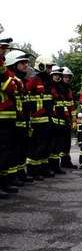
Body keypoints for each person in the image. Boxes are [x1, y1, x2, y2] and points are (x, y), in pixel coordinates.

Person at [5, 50, 34, 185]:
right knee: (13, 151)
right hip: (15, 122)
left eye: (26, 63)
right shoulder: (13, 81)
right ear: (13, 64)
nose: (25, 66)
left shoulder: (23, 81)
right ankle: (12, 177)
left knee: (23, 150)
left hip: (24, 122)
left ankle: (20, 173)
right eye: (22, 63)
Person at [26, 55, 55, 179]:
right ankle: (33, 171)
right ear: (41, 66)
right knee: (37, 146)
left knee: (47, 146)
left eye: (50, 67)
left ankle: (43, 169)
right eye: (48, 67)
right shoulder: (33, 79)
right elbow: (25, 98)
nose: (50, 70)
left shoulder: (47, 81)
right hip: (37, 120)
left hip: (47, 119)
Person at [0, 39, 20, 197]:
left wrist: (12, 84)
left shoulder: (1, 65)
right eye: (2, 47)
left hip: (8, 116)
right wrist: (11, 84)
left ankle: (4, 182)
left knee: (7, 151)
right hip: (2, 115)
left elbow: (17, 85)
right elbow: (10, 86)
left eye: (5, 48)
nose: (4, 51)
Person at [49, 66, 68, 174]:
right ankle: (50, 166)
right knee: (51, 145)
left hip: (61, 121)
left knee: (58, 146)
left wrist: (67, 117)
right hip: (52, 120)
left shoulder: (61, 88)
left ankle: (56, 166)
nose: (58, 77)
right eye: (55, 75)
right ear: (51, 76)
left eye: (59, 75)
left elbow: (63, 105)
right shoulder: (49, 87)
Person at [60, 67, 77, 169]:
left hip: (67, 119)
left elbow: (71, 105)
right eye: (65, 77)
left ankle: (66, 161)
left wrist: (74, 119)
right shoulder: (57, 88)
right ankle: (53, 163)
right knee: (58, 143)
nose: (67, 79)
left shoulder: (69, 90)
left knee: (67, 142)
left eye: (68, 77)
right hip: (59, 118)